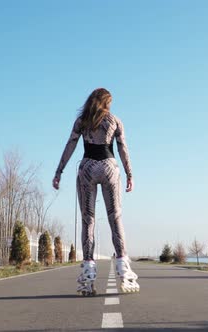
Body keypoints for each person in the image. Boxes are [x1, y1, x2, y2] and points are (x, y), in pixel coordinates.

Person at [53, 88, 139, 295]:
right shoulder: (115, 121)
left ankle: (88, 275)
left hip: (88, 168)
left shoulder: (82, 121)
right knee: (115, 217)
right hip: (110, 167)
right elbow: (122, 148)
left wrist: (59, 171)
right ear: (107, 103)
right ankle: (124, 271)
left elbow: (70, 145)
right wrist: (129, 174)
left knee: (88, 220)